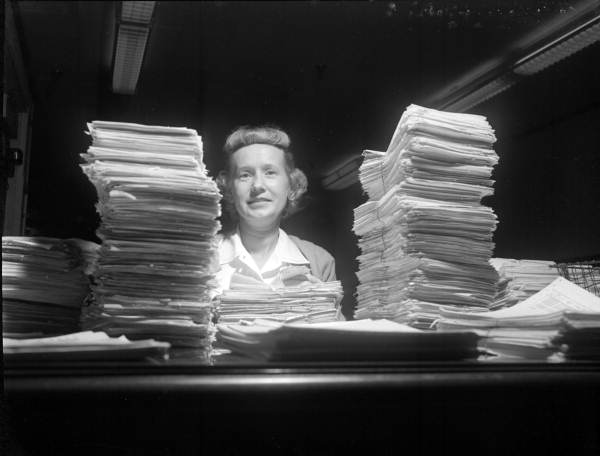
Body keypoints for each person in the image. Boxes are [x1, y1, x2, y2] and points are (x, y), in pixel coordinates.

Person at [215, 125, 336, 291]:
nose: (257, 185)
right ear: (230, 190)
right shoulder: (201, 256)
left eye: (270, 172)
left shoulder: (320, 261)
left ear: (291, 186)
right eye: (245, 175)